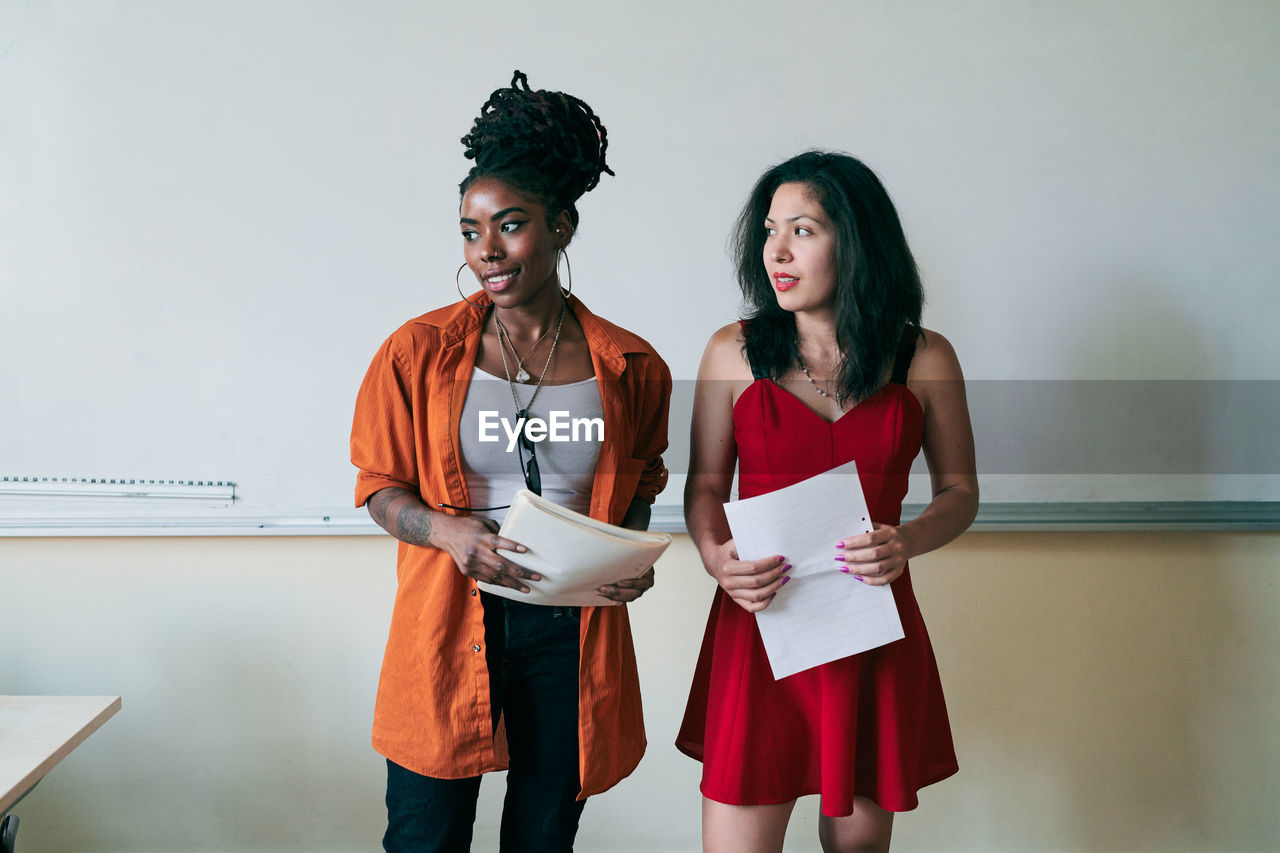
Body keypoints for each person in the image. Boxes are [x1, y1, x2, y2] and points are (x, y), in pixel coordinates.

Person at [351, 71, 671, 853]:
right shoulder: (417, 352)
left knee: (543, 834)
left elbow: (642, 482)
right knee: (424, 838)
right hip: (450, 618)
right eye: (469, 229)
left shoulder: (629, 364)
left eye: (511, 225)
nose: (486, 250)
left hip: (570, 627)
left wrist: (628, 555)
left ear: (561, 226)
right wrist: (446, 531)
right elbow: (379, 487)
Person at [676, 150, 978, 853]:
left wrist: (910, 540)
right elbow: (706, 487)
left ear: (856, 238)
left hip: (870, 628)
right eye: (770, 230)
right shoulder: (732, 350)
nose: (776, 250)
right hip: (761, 625)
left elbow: (960, 492)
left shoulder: (924, 357)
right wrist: (718, 557)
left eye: (803, 230)